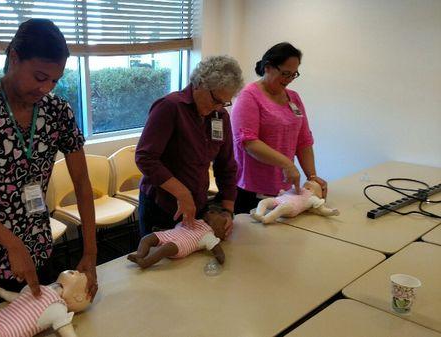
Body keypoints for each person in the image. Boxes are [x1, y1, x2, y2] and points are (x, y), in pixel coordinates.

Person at [0, 19, 97, 316]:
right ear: (14, 57)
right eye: (39, 76)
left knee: (39, 323)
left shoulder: (57, 111)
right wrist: (12, 244)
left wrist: (90, 252)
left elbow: (81, 182)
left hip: (37, 245)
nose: (45, 88)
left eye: (54, 80)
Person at [136, 55, 244, 238]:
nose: (218, 107)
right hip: (162, 205)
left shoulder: (219, 116)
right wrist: (182, 193)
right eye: (216, 100)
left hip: (197, 203)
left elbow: (226, 165)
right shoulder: (169, 107)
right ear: (200, 83)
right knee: (161, 260)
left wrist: (228, 210)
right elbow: (145, 158)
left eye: (224, 103)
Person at [230, 42, 328, 214]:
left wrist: (312, 177)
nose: (289, 79)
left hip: (284, 189)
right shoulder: (248, 96)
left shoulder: (294, 98)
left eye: (293, 74)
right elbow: (249, 142)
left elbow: (303, 140)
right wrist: (287, 164)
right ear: (268, 67)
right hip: (252, 190)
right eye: (285, 73)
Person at [127, 206, 229, 269]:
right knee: (146, 238)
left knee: (165, 249)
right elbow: (178, 229)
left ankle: (146, 262)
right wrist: (162, 231)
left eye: (217, 215)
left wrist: (220, 258)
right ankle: (140, 254)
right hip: (169, 234)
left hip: (179, 245)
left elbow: (217, 249)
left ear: (219, 230)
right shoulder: (197, 220)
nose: (212, 212)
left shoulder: (208, 234)